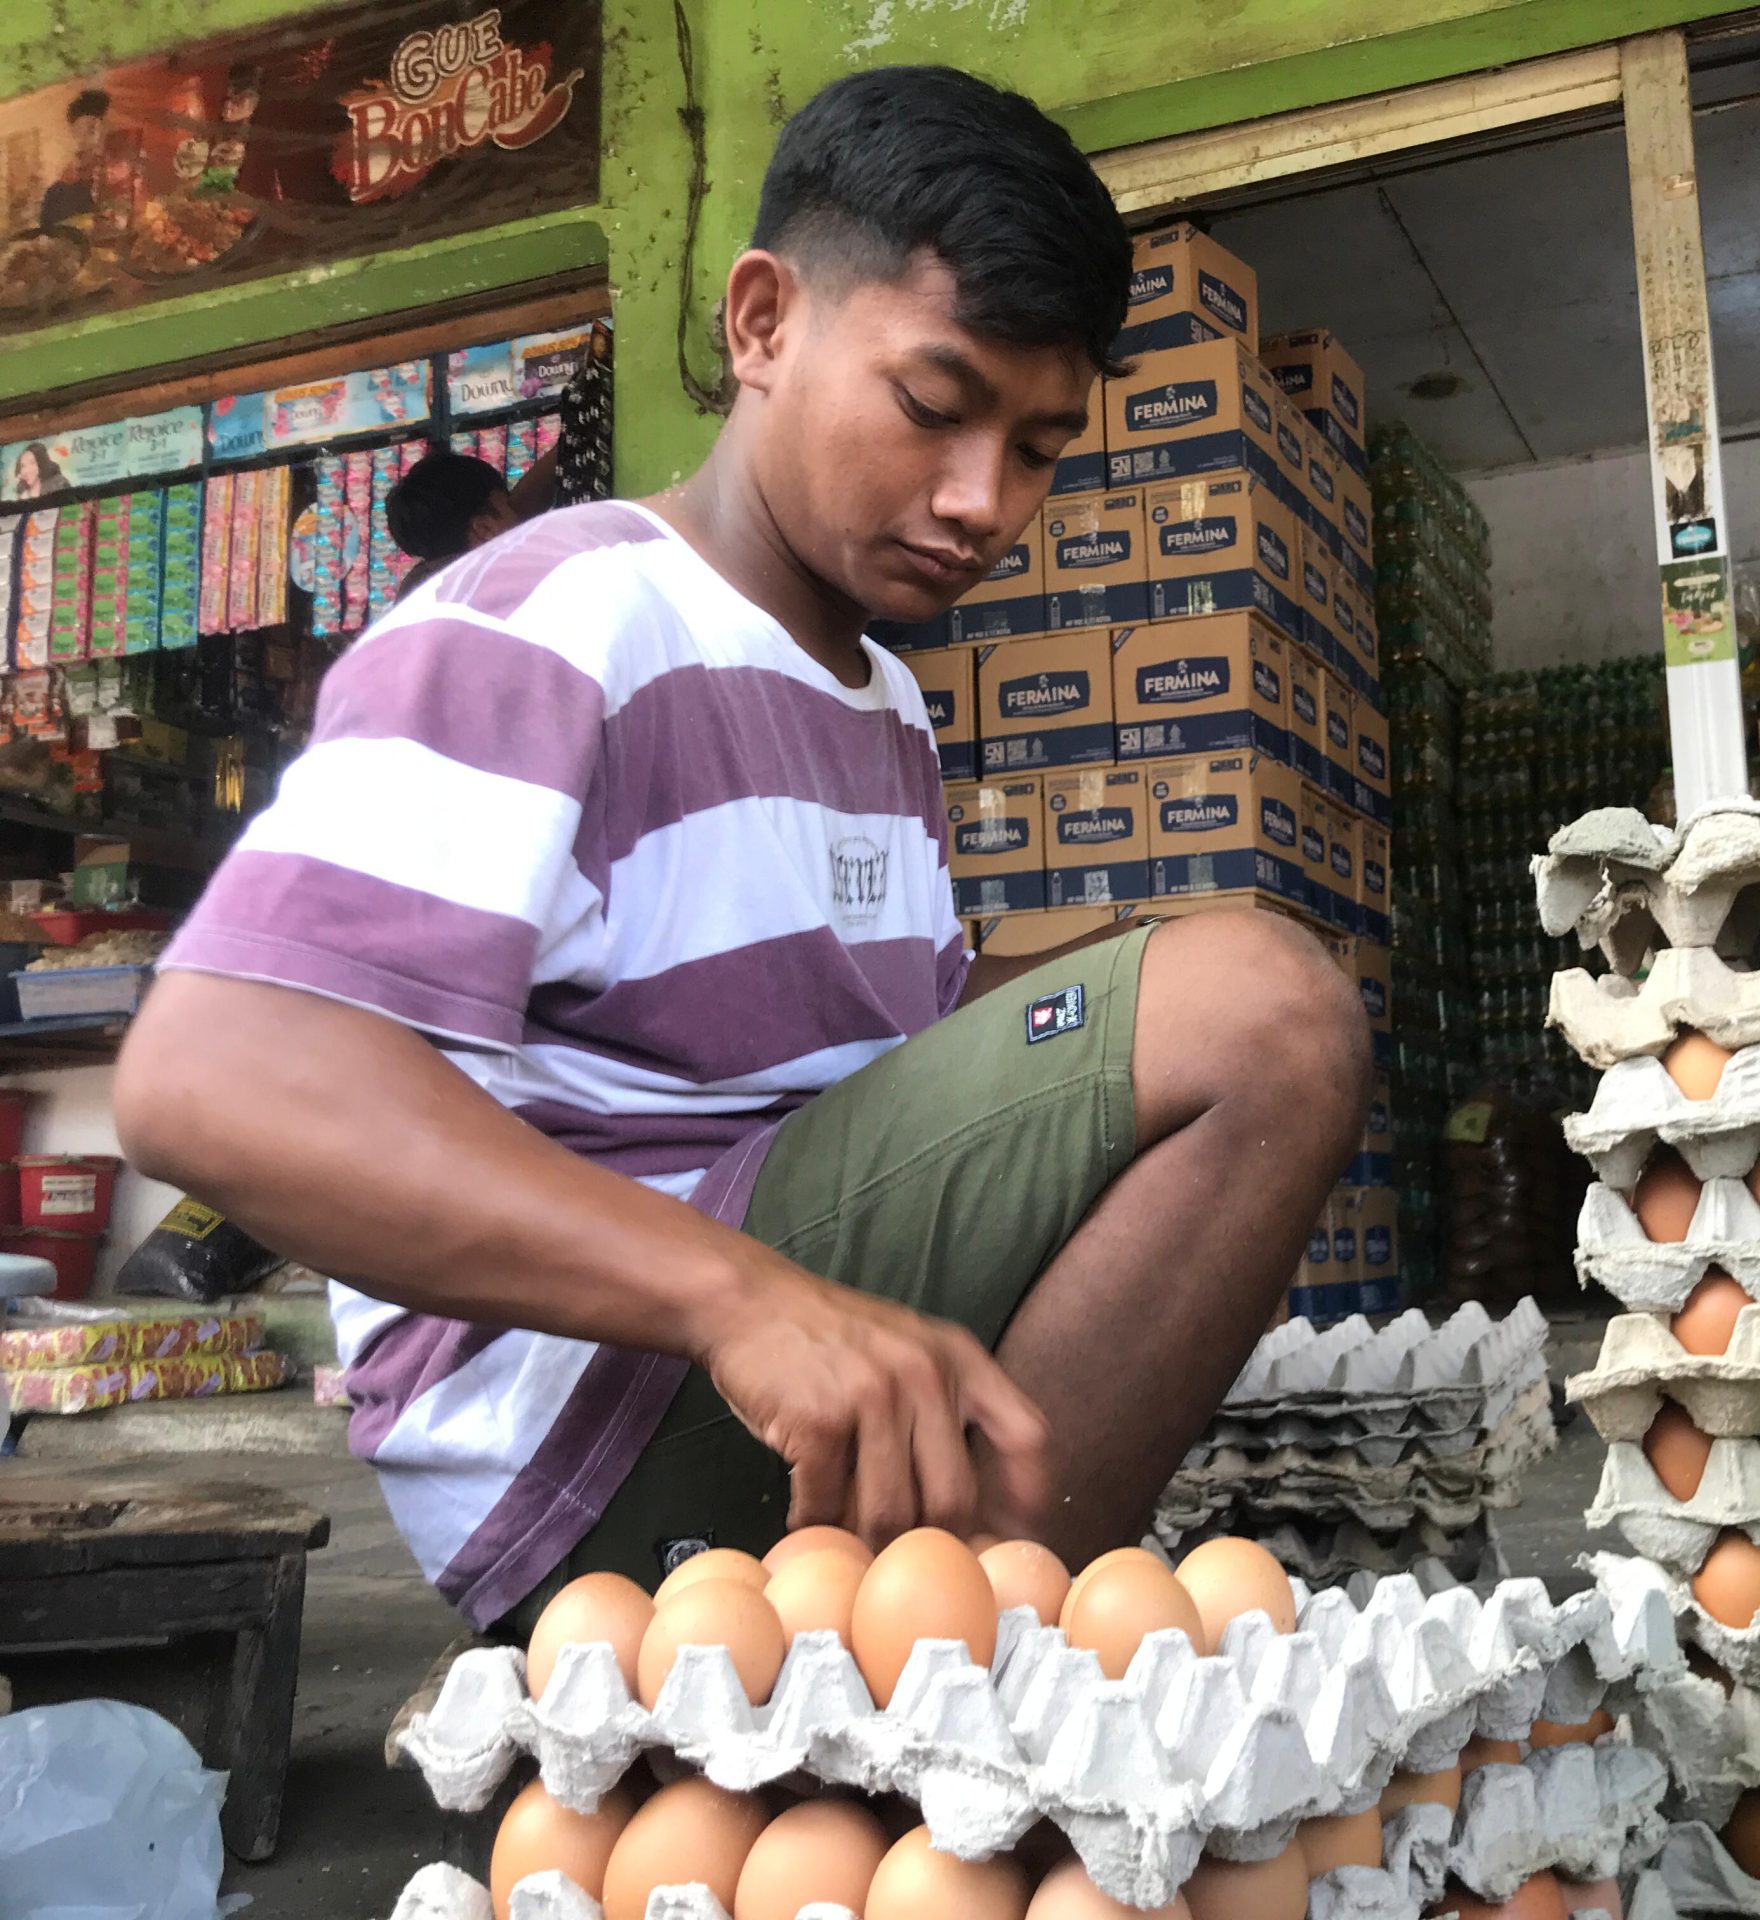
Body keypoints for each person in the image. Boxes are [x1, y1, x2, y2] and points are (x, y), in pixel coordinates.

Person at [114, 66, 1370, 1636]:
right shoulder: (559, 619)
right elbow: (208, 1078)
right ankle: (961, 1658)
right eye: (935, 408)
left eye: (1040, 449)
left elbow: (878, 1070)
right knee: (1262, 1013)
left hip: (752, 1347)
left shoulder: (881, 701)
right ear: (763, 323)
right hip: (591, 1429)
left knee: (1212, 977)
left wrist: (1127, 978)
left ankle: (945, 1624)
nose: (981, 501)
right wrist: (741, 1297)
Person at [383, 448, 558, 599]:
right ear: (485, 528)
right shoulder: (514, 584)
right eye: (508, 505)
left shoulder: (419, 592)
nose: (521, 517)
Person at [38, 89, 109, 229]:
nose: (81, 140)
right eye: (77, 131)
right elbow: (45, 234)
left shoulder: (115, 184)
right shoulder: (55, 194)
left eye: (91, 131)